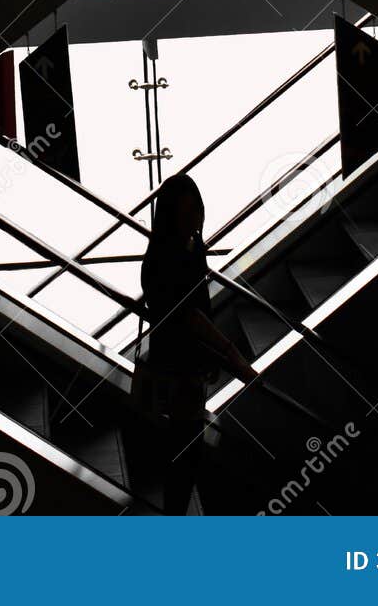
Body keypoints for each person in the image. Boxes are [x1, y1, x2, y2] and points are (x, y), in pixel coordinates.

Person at [138, 174, 256, 515]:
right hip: (179, 366)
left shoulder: (182, 250)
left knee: (184, 446)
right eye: (188, 211)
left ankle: (175, 514)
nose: (195, 218)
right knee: (184, 448)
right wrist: (229, 354)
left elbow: (192, 311)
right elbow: (191, 314)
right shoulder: (173, 256)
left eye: (196, 210)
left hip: (183, 360)